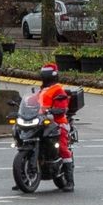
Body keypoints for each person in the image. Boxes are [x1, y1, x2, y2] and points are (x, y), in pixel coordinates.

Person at [38, 63, 74, 191]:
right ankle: (23, 176)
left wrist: (56, 111)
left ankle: (70, 181)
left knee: (63, 148)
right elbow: (32, 103)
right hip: (41, 122)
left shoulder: (58, 89)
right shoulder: (41, 89)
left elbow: (63, 107)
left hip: (58, 122)